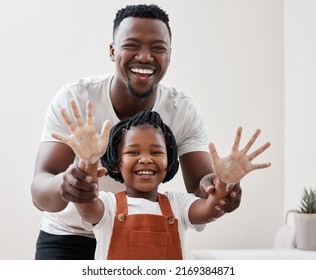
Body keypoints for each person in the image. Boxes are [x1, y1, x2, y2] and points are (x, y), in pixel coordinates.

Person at [31, 4, 248, 260]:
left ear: (169, 55)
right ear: (112, 51)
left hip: (139, 237)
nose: (145, 57)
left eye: (158, 48)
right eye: (131, 45)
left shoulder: (183, 111)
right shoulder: (75, 100)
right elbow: (40, 189)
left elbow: (203, 190)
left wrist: (223, 189)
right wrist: (64, 185)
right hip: (69, 236)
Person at [51, 101, 270, 259]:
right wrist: (89, 160)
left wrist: (225, 182)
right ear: (116, 163)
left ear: (169, 162)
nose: (145, 159)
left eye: (156, 152)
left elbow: (210, 208)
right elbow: (87, 202)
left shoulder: (178, 205)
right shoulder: (108, 205)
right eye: (133, 153)